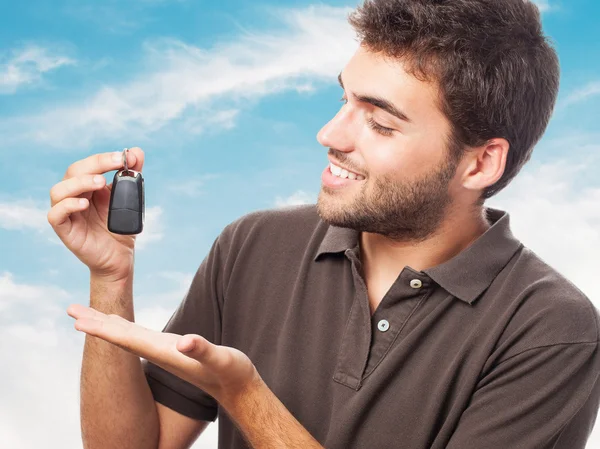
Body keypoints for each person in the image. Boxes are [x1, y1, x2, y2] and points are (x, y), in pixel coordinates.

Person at [48, 0, 600, 448]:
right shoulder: (252, 246)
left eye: (380, 123)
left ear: (480, 163)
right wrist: (112, 279)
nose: (330, 135)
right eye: (344, 99)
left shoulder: (551, 332)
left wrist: (245, 397)